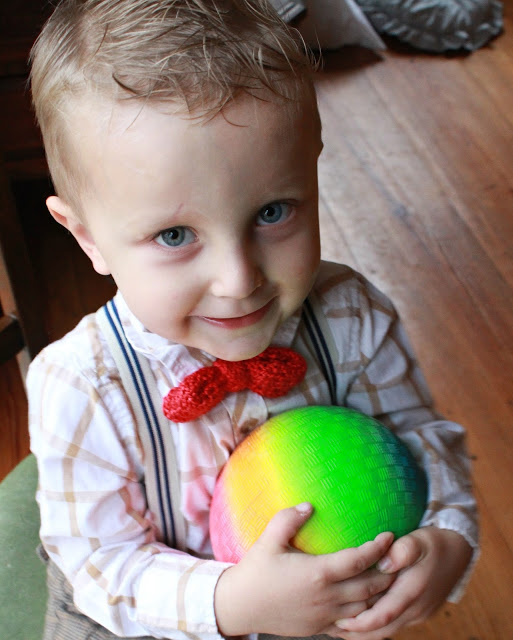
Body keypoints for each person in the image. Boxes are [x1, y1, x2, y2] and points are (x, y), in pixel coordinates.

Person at [27, 0, 478, 639]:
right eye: (176, 233)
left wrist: (446, 536)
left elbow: (419, 438)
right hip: (137, 613)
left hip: (314, 605)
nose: (239, 280)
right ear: (88, 238)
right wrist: (232, 602)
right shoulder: (82, 385)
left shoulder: (351, 316)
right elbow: (104, 567)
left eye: (273, 212)